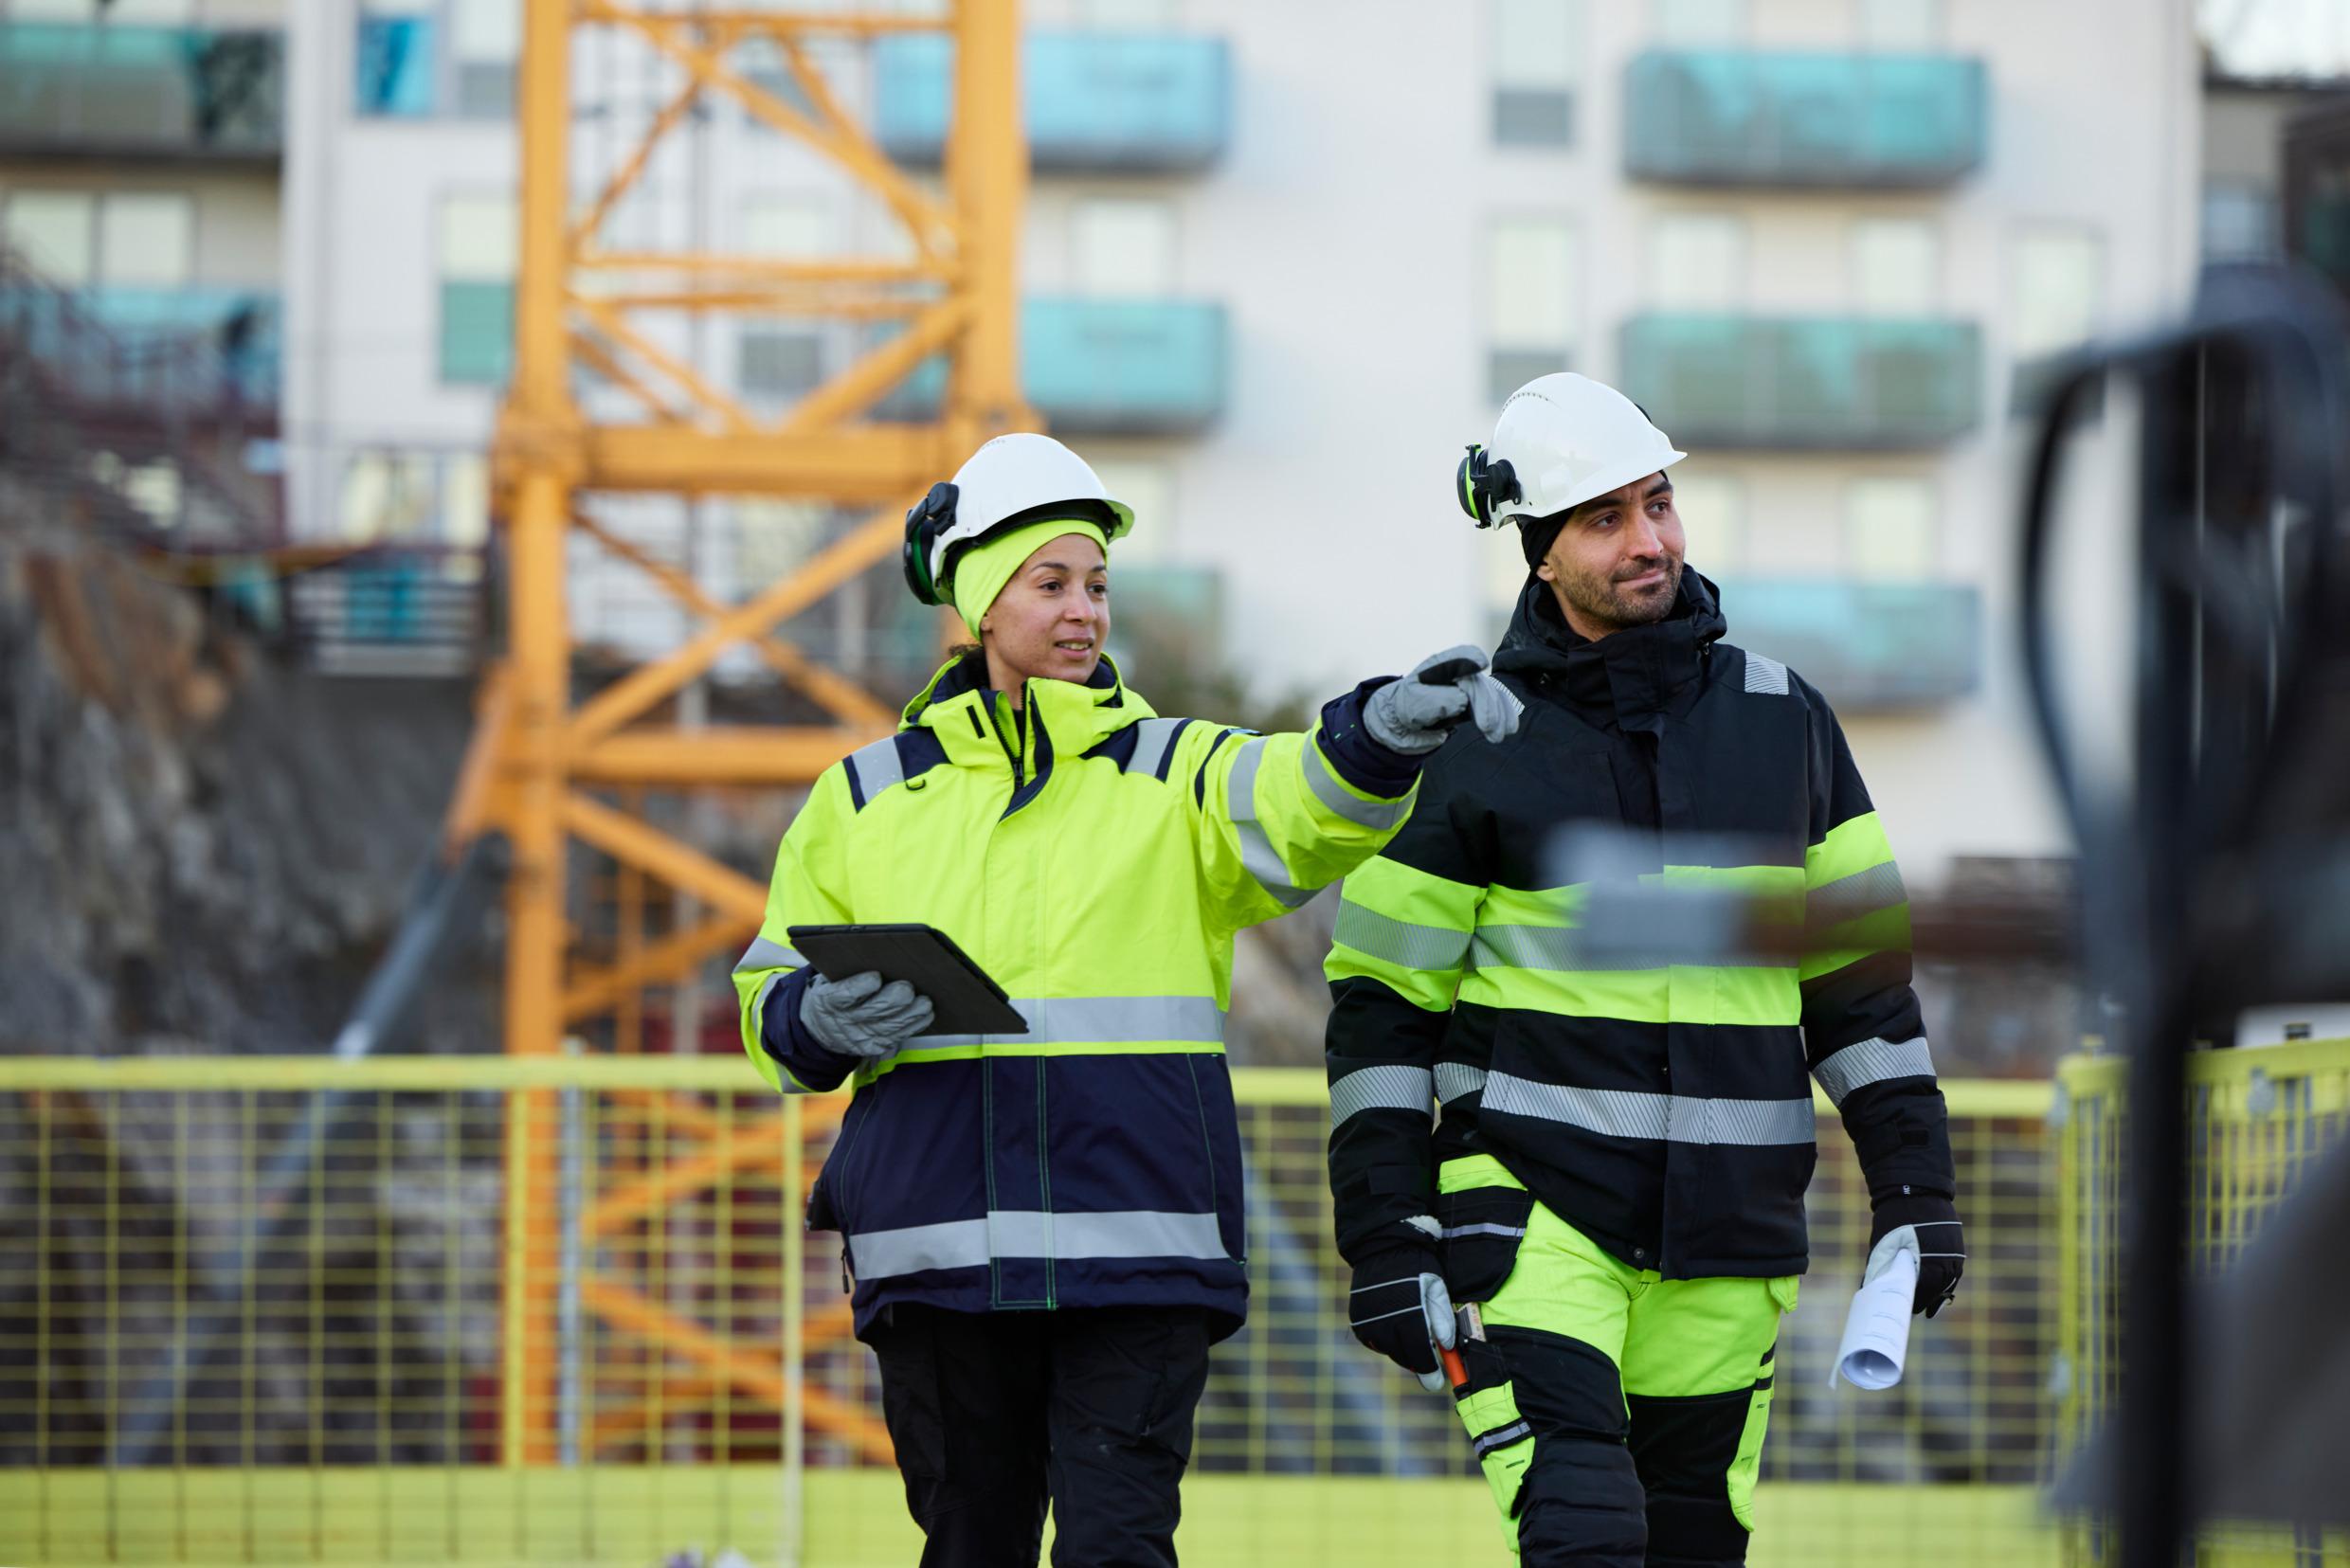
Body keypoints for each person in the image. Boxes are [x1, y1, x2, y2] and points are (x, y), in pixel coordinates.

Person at [733, 432, 1521, 1568]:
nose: (1082, 612)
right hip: (937, 1260)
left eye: (1096, 585)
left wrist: (1380, 730)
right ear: (976, 599)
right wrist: (813, 1020)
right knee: (969, 1544)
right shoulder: (860, 797)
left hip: (1134, 1255)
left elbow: (1297, 796)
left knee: (1117, 1549)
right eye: (1049, 582)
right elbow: (769, 987)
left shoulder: (1175, 771)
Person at [1322, 374, 1963, 1565]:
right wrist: (1387, 1235)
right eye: (1603, 518)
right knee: (1581, 1533)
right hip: (1526, 1223)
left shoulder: (1788, 719)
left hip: (1733, 1238)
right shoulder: (1461, 739)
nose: (1647, 540)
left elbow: (1861, 993)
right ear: (1538, 547)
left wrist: (1914, 1191)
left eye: (1656, 503)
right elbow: (1379, 1014)